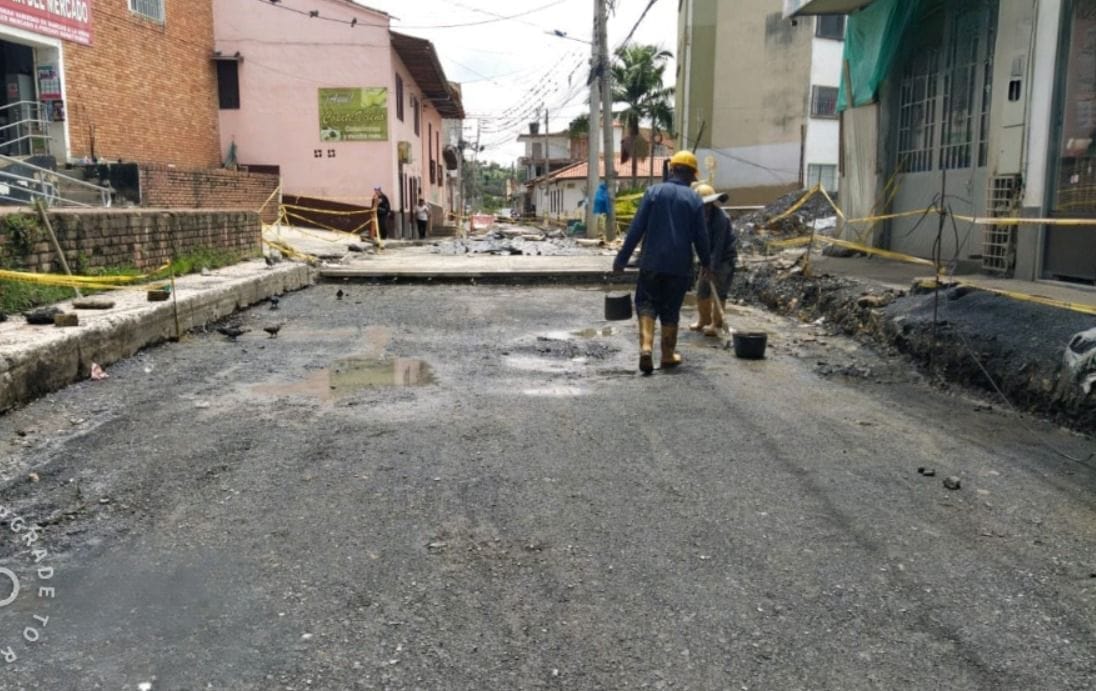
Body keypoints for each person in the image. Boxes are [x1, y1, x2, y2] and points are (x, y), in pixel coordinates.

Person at [613, 151, 711, 374]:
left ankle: (646, 348)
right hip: (679, 267)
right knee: (670, 309)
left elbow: (636, 229)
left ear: (672, 170)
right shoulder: (694, 199)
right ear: (691, 176)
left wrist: (621, 259)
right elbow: (701, 236)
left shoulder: (653, 192)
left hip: (651, 263)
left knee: (646, 304)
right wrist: (707, 263)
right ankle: (667, 355)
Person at [690, 184, 737, 337]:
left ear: (712, 203)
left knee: (719, 291)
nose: (705, 207)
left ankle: (716, 324)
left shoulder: (721, 219)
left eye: (707, 204)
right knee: (702, 290)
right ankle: (703, 320)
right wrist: (703, 262)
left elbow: (718, 246)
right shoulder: (697, 217)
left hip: (723, 259)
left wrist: (712, 267)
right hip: (707, 259)